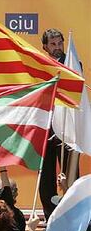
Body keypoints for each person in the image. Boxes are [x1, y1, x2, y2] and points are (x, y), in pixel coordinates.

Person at [40, 29, 80, 220]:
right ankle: (50, 217)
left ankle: (73, 215)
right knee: (45, 176)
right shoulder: (39, 65)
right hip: (46, 128)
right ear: (45, 47)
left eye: (59, 43)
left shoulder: (73, 63)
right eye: (53, 44)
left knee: (70, 175)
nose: (57, 48)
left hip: (67, 127)